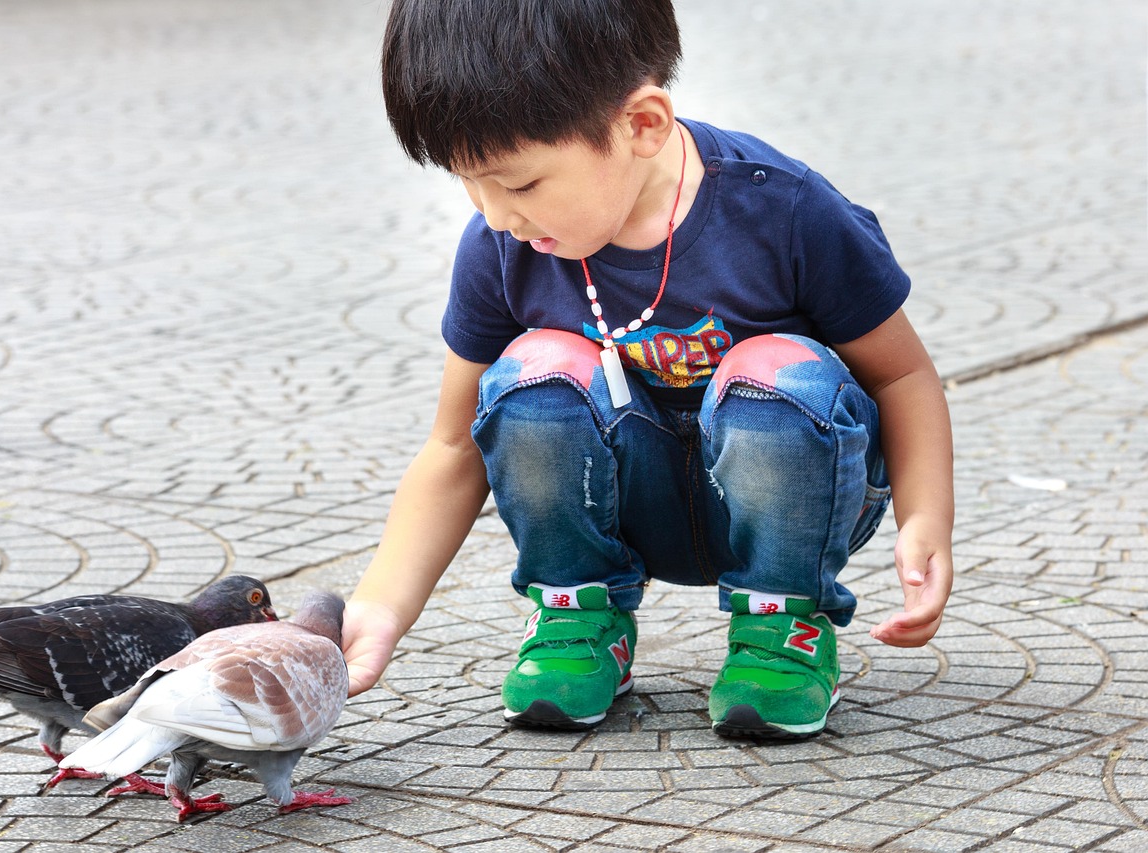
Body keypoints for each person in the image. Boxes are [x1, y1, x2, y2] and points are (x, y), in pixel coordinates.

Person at [342, 0, 954, 739]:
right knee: (535, 372)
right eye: (467, 183)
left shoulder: (787, 213)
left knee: (773, 370)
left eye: (520, 184)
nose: (496, 214)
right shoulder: (502, 246)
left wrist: (926, 519)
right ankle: (578, 614)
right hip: (627, 501)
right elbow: (451, 446)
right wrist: (378, 605)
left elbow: (901, 376)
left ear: (642, 124)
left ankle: (781, 628)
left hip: (791, 499)